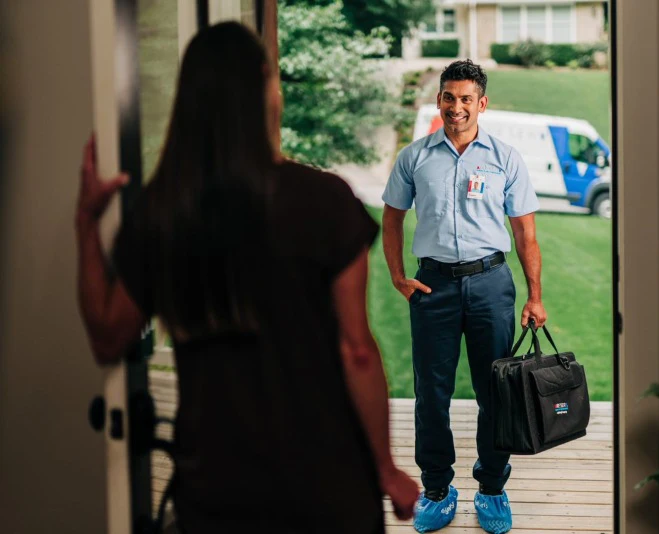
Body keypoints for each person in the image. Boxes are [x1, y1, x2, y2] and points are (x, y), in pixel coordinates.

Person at [75, 22, 417, 533]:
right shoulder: (323, 202)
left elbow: (107, 336)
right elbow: (357, 352)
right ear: (265, 84)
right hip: (327, 489)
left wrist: (85, 227)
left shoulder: (164, 215)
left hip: (217, 496)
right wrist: (386, 469)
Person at [381, 59, 547, 534]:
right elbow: (392, 219)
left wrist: (535, 297)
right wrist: (398, 276)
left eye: (466, 99)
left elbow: (525, 234)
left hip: (491, 285)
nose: (457, 107)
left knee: (495, 391)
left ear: (482, 103)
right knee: (430, 394)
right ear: (439, 100)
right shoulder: (414, 157)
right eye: (449, 97)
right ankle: (437, 489)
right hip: (432, 286)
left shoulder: (505, 158)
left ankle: (492, 487)